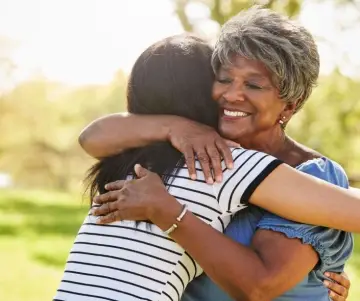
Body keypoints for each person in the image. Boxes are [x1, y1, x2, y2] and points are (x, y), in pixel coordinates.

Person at [79, 7, 355, 301]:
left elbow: (260, 286)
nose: (232, 94)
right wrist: (175, 126)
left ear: (290, 104)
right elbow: (92, 137)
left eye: (253, 84)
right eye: (224, 79)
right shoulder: (196, 150)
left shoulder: (309, 172)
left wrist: (170, 214)